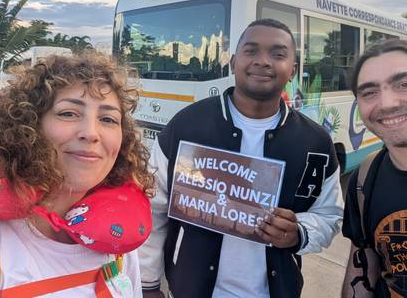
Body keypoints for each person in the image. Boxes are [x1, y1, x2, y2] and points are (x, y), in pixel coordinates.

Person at [139, 18, 344, 298]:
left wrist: (300, 232)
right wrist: (147, 284)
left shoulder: (315, 142)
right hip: (190, 289)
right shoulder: (187, 126)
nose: (262, 61)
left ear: (293, 70)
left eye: (278, 54)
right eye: (251, 51)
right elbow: (152, 207)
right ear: (234, 61)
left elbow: (329, 215)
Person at [0, 53, 155, 297]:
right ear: (28, 126)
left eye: (108, 119)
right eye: (68, 113)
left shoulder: (119, 244)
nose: (91, 133)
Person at [342, 39, 407, 297]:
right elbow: (362, 269)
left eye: (405, 84)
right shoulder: (365, 179)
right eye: (369, 92)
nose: (387, 103)